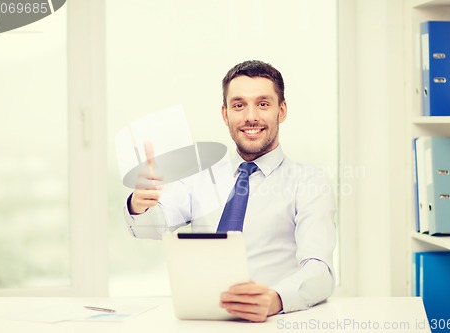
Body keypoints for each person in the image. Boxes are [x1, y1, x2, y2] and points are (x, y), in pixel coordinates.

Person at [124, 60, 337, 322]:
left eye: (263, 104)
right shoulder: (200, 178)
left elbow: (319, 271)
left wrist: (276, 299)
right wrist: (140, 204)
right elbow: (150, 227)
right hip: (203, 321)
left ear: (281, 111)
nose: (250, 116)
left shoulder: (309, 182)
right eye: (239, 105)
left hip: (271, 322)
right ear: (225, 115)